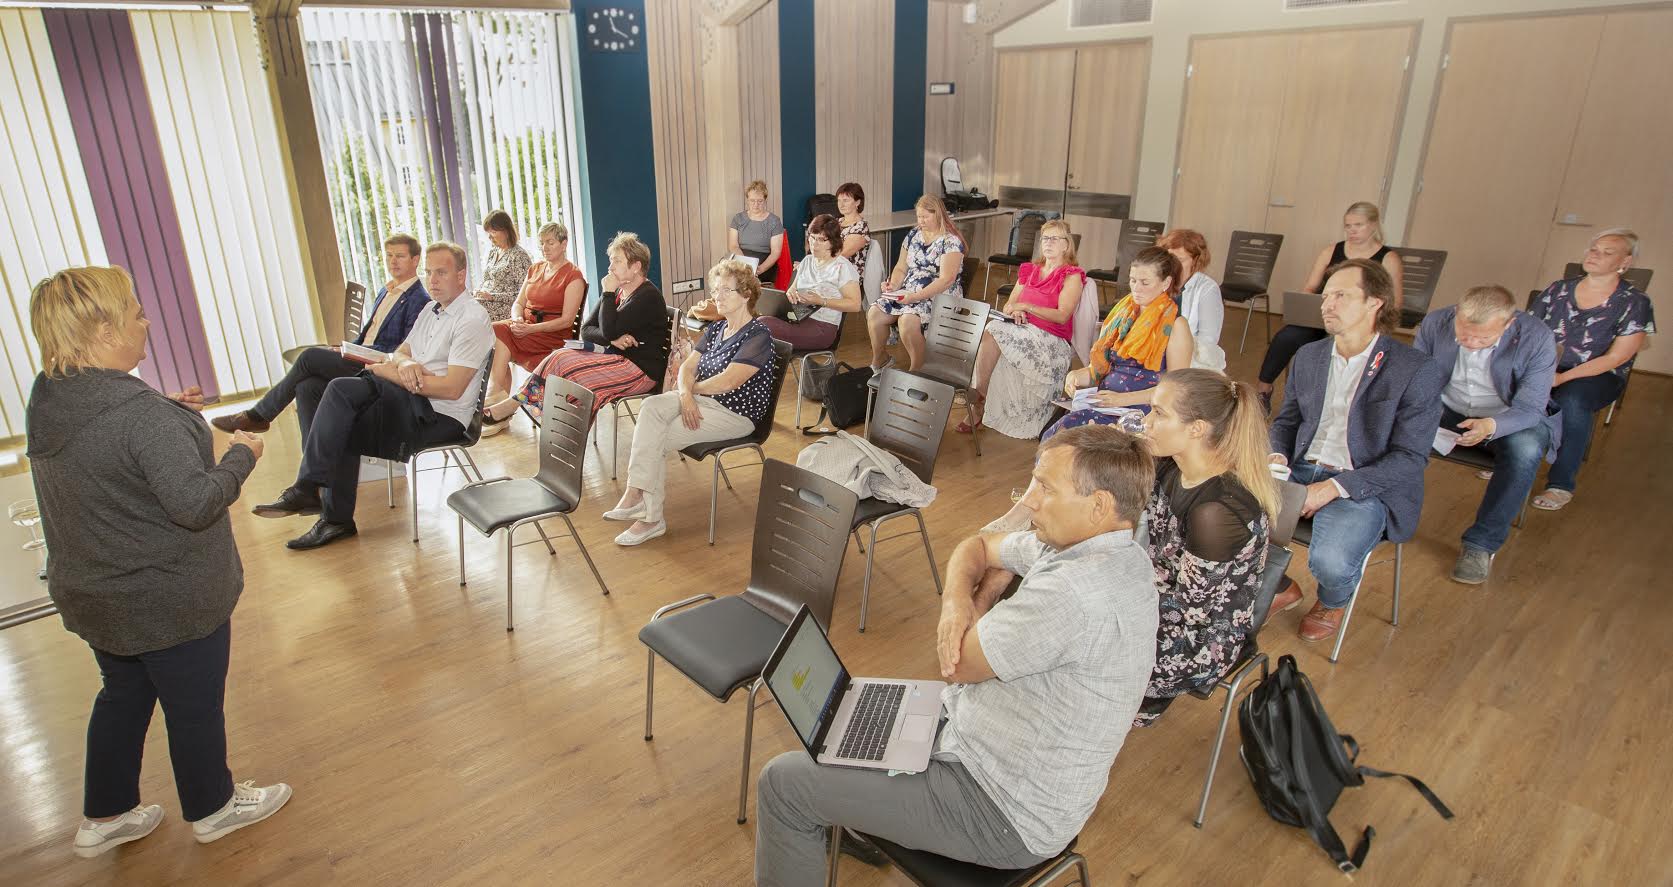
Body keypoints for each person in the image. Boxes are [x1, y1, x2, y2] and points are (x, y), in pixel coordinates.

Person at [753, 425, 1159, 885]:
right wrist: (957, 605)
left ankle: (852, 809)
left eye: (1045, 487)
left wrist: (975, 599)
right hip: (977, 741)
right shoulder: (1111, 549)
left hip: (999, 809)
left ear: (1099, 505)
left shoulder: (1075, 593)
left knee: (784, 784)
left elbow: (957, 664)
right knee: (850, 722)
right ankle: (863, 811)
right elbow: (979, 545)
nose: (1029, 501)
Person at [25, 266, 291, 858]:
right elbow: (195, 503)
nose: (146, 321)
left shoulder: (51, 394)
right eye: (136, 312)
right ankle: (215, 807)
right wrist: (243, 454)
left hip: (96, 591)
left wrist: (170, 415)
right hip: (164, 595)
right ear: (102, 330)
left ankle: (107, 814)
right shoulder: (138, 416)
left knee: (121, 693)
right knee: (194, 704)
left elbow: (107, 447)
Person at [252, 242, 494, 550]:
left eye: (442, 273)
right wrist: (404, 364)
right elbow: (402, 351)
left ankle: (312, 488)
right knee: (310, 388)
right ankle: (327, 509)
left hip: (439, 416)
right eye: (429, 273)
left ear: (461, 275)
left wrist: (392, 372)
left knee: (340, 389)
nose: (432, 281)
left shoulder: (471, 319)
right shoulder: (432, 309)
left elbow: (451, 388)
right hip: (413, 399)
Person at [1267, 258, 1447, 643]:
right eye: (1326, 295)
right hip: (1301, 469)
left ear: (1375, 302)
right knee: (1222, 515)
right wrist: (1277, 458)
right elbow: (1286, 421)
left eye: (1341, 295)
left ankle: (1332, 599)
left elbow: (1410, 458)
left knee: (1330, 562)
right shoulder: (1310, 356)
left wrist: (1332, 489)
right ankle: (1280, 586)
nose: (1327, 304)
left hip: (1364, 484)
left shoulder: (1415, 369)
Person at [1133, 369, 1277, 725]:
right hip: (1156, 595)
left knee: (1088, 645)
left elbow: (1192, 610)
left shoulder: (1216, 511)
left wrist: (1115, 598)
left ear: (1196, 428)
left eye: (1159, 414)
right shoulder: (1169, 465)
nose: (1147, 422)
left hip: (1201, 637)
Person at [605, 259, 778, 546]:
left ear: (746, 295)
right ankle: (637, 496)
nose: (717, 296)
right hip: (699, 399)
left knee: (656, 437)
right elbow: (687, 367)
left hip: (734, 413)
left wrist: (691, 392)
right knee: (650, 408)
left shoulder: (758, 335)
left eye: (726, 290)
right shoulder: (716, 329)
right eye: (716, 290)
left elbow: (729, 381)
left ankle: (650, 518)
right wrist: (686, 395)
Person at [211, 234, 430, 437]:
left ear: (415, 260)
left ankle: (258, 416)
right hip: (361, 355)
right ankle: (313, 472)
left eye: (400, 256)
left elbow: (403, 349)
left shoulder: (419, 299)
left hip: (378, 366)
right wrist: (346, 349)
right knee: (306, 387)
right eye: (389, 256)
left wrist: (358, 353)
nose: (393, 261)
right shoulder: (386, 290)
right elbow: (367, 336)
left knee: (309, 357)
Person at [1414, 285, 1559, 583]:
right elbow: (1416, 377)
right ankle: (1381, 518)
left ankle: (1480, 544)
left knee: (1526, 450)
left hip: (1508, 416)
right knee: (1387, 425)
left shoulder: (1537, 337)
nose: (1471, 344)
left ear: (1509, 324)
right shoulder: (1435, 322)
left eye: (1483, 338)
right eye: (1464, 335)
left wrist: (1490, 426)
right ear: (1456, 313)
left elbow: (1531, 407)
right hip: (1447, 409)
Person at [1526, 228, 1655, 511]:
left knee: (1572, 400)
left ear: (1626, 262)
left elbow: (1616, 357)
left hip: (1599, 374)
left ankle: (1560, 483)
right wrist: (1538, 370)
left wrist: (1561, 377)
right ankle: (1510, 458)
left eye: (1607, 252)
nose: (1595, 255)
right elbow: (1528, 332)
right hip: (1549, 364)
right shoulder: (1557, 289)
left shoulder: (1635, 302)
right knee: (1512, 383)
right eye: (1594, 249)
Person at [482, 232, 669, 425]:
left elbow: (608, 330)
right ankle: (534, 414)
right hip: (615, 359)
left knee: (571, 371)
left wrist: (607, 294)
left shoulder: (646, 297)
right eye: (611, 261)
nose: (610, 267)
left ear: (636, 266)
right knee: (560, 357)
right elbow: (587, 329)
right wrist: (612, 339)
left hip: (639, 372)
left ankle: (553, 424)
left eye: (617, 262)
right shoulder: (620, 291)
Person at [1256, 202, 1404, 405]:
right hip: (1322, 316)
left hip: (1358, 323)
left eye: (1358, 225)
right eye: (1348, 226)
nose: (1352, 231)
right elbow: (1310, 287)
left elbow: (1394, 303)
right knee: (1286, 337)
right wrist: (1311, 305)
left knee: (1332, 347)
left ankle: (1322, 400)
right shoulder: (1331, 251)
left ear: (1373, 225)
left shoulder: (1389, 258)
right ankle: (1264, 390)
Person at [1042, 246, 1195, 440]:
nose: (1136, 288)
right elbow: (1103, 368)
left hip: (1141, 412)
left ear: (1165, 283)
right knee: (1056, 437)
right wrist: (1076, 376)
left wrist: (1122, 399)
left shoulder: (1176, 326)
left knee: (1071, 442)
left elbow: (1175, 389)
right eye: (1133, 280)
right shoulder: (1123, 315)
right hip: (1107, 403)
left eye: (1145, 282)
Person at [963, 218, 1085, 438]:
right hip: (1023, 328)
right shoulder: (1030, 270)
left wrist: (1027, 306)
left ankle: (978, 398)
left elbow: (1062, 315)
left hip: (1051, 337)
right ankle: (980, 396)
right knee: (992, 329)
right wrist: (1016, 311)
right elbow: (1010, 304)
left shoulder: (1071, 275)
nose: (1048, 243)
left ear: (1066, 245)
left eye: (1054, 239)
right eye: (1045, 238)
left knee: (993, 330)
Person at [482, 222, 587, 433]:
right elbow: (518, 303)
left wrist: (530, 330)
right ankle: (498, 398)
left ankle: (497, 400)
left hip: (552, 337)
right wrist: (517, 319)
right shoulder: (535, 269)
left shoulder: (573, 276)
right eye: (542, 243)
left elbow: (567, 321)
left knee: (499, 333)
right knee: (495, 329)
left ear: (564, 244)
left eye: (550, 242)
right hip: (527, 329)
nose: (545, 248)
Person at [867, 195, 967, 372]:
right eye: (919, 216)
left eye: (925, 217)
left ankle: (918, 370)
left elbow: (946, 280)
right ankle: (880, 359)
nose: (921, 221)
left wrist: (915, 296)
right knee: (875, 312)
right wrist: (893, 285)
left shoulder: (950, 241)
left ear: (938, 215)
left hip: (939, 296)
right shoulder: (913, 235)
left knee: (907, 321)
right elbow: (900, 267)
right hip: (910, 291)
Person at [757, 214, 862, 351]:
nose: (814, 244)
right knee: (755, 322)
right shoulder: (807, 261)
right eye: (812, 237)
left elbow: (855, 305)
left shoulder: (842, 267)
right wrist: (791, 294)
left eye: (821, 240)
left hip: (823, 327)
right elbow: (791, 290)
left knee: (762, 326)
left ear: (833, 242)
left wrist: (821, 300)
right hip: (798, 318)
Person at [1156, 228, 1226, 371]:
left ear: (1196, 261)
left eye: (1180, 260)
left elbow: (1207, 342)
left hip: (1189, 362)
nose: (1172, 264)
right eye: (1169, 257)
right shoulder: (1158, 280)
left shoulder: (1207, 289)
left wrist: (1173, 355)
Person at [475, 209, 532, 322]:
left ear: (506, 231)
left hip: (504, 307)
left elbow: (525, 294)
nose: (490, 237)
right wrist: (478, 291)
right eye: (488, 233)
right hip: (485, 303)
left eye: (494, 232)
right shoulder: (493, 251)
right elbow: (487, 279)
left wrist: (493, 297)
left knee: (470, 312)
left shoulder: (519, 255)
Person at [729, 180, 785, 284]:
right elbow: (733, 246)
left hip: (764, 267)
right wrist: (745, 266)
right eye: (752, 201)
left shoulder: (774, 221)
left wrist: (759, 269)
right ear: (747, 200)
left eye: (760, 201)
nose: (756, 205)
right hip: (740, 264)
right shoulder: (738, 219)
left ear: (765, 200)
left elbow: (775, 252)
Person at [835, 182, 871, 281]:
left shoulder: (860, 228)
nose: (841, 205)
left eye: (845, 200)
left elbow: (840, 256)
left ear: (857, 202)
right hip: (832, 271)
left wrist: (813, 265)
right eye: (839, 200)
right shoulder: (838, 222)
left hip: (848, 279)